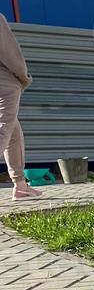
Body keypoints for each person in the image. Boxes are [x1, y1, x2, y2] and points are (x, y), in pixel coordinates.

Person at [0, 13, 41, 200]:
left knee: (14, 133)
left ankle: (20, 185)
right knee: (4, 129)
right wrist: (24, 78)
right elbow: (11, 54)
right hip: (4, 83)